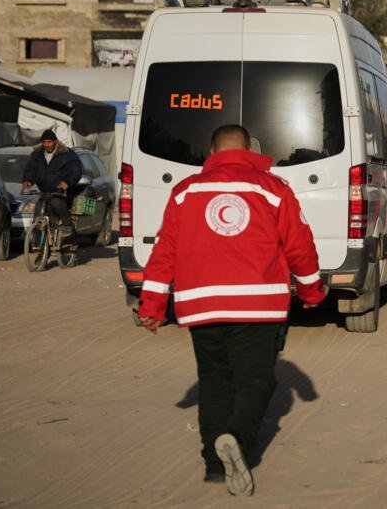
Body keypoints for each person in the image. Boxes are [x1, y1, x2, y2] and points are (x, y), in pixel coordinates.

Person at [138, 124, 327, 497]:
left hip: (200, 305)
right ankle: (236, 440)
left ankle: (213, 465)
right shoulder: (273, 189)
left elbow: (164, 253)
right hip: (257, 304)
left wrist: (152, 305)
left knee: (214, 382)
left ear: (212, 153)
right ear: (249, 149)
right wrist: (312, 292)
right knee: (257, 381)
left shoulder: (184, 192)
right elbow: (299, 246)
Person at [21, 129, 82, 239]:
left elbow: (76, 170)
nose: (46, 145)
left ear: (55, 142)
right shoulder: (36, 155)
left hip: (59, 192)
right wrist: (28, 180)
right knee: (38, 213)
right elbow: (30, 169)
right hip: (44, 192)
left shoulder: (67, 154)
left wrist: (67, 182)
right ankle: (39, 242)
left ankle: (67, 225)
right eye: (44, 142)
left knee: (56, 204)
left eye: (49, 142)